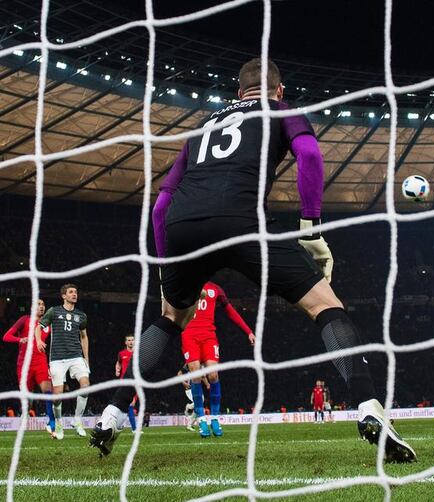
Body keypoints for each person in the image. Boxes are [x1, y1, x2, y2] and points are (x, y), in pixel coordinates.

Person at [90, 58, 416, 463]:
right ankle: (370, 408)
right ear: (279, 90)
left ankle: (111, 414)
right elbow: (310, 156)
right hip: (240, 222)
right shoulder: (280, 110)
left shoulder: (203, 128)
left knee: (171, 317)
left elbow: (160, 206)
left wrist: (165, 265)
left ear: (237, 92)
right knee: (326, 306)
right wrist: (311, 230)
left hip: (182, 228)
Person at [182, 281, 254, 439]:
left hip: (209, 336)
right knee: (195, 375)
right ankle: (201, 420)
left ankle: (214, 418)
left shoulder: (215, 288)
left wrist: (248, 331)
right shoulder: (185, 284)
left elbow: (230, 311)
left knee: (213, 375)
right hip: (189, 335)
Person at [35, 284, 90, 439]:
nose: (75, 294)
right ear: (63, 296)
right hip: (57, 359)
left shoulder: (81, 315)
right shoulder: (54, 311)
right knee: (57, 396)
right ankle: (59, 424)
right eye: (71, 292)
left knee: (85, 386)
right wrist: (38, 340)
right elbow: (38, 327)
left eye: (76, 292)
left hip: (76, 356)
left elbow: (84, 337)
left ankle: (77, 421)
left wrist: (86, 359)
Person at [3, 299, 56, 435]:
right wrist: (19, 339)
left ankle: (51, 422)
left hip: (41, 362)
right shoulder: (24, 319)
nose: (41, 306)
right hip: (24, 363)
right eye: (38, 304)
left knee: (47, 390)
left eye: (43, 304)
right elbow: (6, 336)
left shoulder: (48, 324)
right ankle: (25, 412)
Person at [115, 335, 138, 431]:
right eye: (129, 340)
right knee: (129, 404)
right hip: (124, 381)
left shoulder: (137, 353)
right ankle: (134, 429)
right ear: (126, 342)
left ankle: (118, 425)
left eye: (132, 340)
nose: (131, 342)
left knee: (130, 404)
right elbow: (118, 362)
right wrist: (117, 370)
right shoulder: (121, 353)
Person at [177, 364, 207, 432]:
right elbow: (179, 374)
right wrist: (183, 382)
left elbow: (203, 376)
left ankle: (189, 425)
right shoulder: (188, 364)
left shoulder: (201, 365)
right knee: (199, 403)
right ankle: (189, 406)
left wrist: (207, 384)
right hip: (189, 388)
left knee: (199, 405)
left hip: (197, 388)